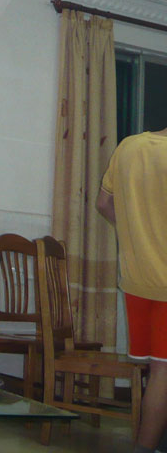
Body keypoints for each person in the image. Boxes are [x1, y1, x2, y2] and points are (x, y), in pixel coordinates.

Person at [97, 128, 167, 453]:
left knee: (156, 371)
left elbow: (103, 203)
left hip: (137, 278)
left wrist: (138, 234)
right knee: (163, 373)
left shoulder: (129, 147)